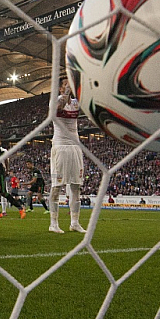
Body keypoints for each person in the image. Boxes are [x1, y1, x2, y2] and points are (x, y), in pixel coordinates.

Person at [48, 78, 87, 234]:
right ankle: (53, 223)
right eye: (65, 83)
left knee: (76, 187)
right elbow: (58, 109)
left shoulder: (76, 102)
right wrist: (65, 94)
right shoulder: (55, 101)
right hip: (60, 146)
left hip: (75, 147)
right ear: (60, 88)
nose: (69, 85)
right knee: (57, 186)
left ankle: (75, 222)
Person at [0, 137, 24, 218]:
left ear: (0, 142)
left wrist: (6, 170)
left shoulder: (3, 151)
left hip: (0, 173)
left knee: (3, 193)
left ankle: (20, 208)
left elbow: (6, 160)